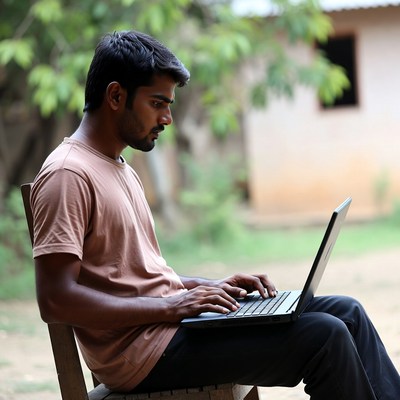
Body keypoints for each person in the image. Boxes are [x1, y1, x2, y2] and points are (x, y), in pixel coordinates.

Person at [30, 30, 400, 400]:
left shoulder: (120, 167)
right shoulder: (68, 174)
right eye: (158, 103)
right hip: (140, 355)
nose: (168, 118)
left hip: (169, 328)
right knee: (325, 337)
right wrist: (172, 306)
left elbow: (137, 277)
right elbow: (55, 299)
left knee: (348, 313)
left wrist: (206, 287)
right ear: (115, 96)